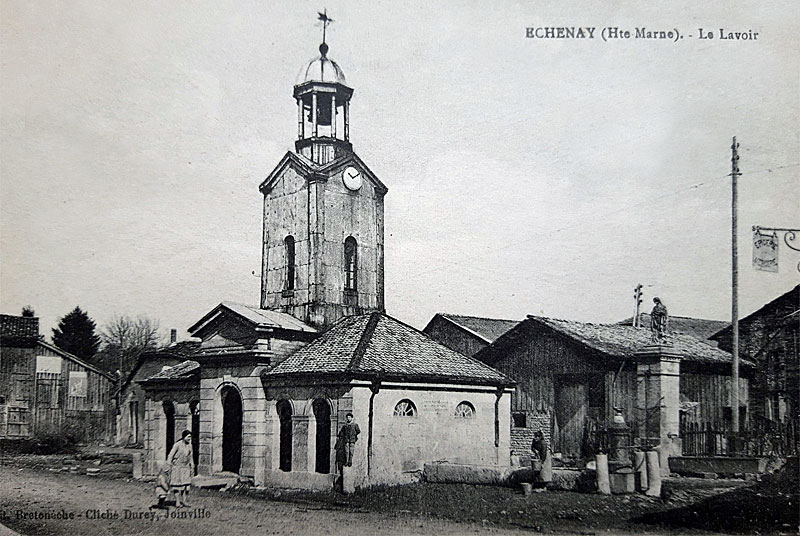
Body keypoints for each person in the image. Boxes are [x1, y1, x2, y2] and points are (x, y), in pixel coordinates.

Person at [167, 429, 195, 508]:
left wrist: (192, 466)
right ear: (184, 437)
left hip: (186, 468)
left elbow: (190, 456)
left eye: (190, 437)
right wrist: (170, 465)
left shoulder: (190, 445)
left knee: (187, 486)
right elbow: (170, 456)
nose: (189, 439)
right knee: (177, 486)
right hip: (177, 467)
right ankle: (178, 502)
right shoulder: (177, 445)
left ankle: (185, 501)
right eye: (188, 437)